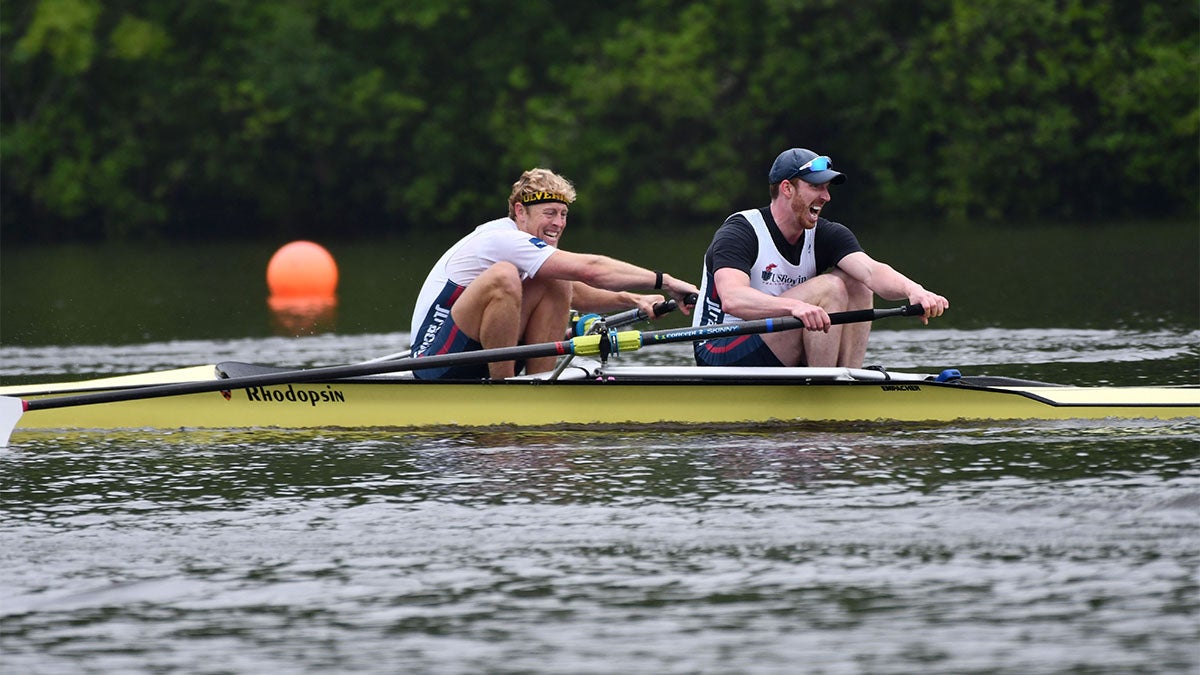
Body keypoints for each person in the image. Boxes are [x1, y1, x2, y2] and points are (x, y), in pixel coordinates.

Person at [411, 167, 700, 380]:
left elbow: (576, 289)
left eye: (563, 214)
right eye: (549, 213)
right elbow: (592, 270)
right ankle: (505, 388)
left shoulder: (527, 244)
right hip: (436, 360)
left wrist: (633, 299)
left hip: (478, 350)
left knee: (557, 280)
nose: (558, 223)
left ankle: (539, 383)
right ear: (520, 211)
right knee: (504, 276)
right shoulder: (499, 238)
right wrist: (667, 282)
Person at [693, 147, 949, 369]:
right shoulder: (740, 231)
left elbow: (872, 272)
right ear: (787, 188)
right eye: (815, 186)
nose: (826, 197)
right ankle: (825, 391)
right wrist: (795, 308)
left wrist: (914, 290)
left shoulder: (826, 234)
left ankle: (846, 379)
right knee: (830, 287)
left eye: (826, 188)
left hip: (776, 338)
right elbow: (733, 299)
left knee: (857, 282)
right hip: (721, 347)